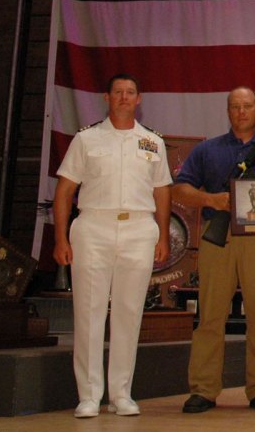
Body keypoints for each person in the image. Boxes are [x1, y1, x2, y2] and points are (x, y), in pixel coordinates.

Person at [52, 73, 172, 418]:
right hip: (94, 226)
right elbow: (65, 191)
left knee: (128, 313)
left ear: (139, 98)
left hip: (138, 228)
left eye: (130, 92)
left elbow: (162, 191)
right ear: (106, 98)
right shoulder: (86, 139)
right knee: (88, 311)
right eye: (117, 92)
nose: (123, 97)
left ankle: (121, 394)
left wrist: (164, 236)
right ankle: (89, 395)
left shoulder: (152, 142)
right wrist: (60, 237)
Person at [174, 87, 255, 414]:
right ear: (228, 111)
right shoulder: (207, 149)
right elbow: (180, 189)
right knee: (210, 315)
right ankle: (203, 389)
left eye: (248, 106)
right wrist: (212, 200)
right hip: (218, 237)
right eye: (236, 106)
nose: (242, 112)